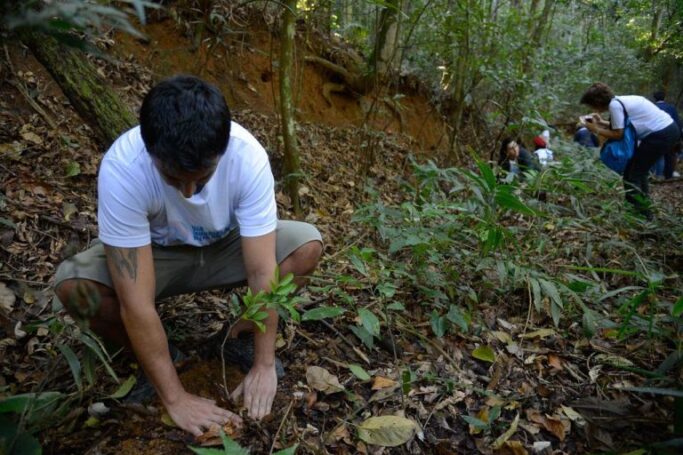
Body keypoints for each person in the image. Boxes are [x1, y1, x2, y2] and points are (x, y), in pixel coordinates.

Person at [53, 75, 323, 436]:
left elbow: (261, 271)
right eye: (174, 178)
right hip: (157, 253)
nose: (190, 192)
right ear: (152, 153)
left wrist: (264, 363)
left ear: (222, 151)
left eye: (203, 177)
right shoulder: (124, 168)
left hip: (225, 246)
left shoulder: (246, 155)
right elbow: (136, 302)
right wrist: (176, 398)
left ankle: (235, 341)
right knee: (74, 287)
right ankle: (164, 362)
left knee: (305, 245)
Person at [580, 82, 680, 218]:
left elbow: (618, 134)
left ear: (597, 102)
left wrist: (595, 129)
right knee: (639, 171)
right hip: (668, 130)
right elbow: (621, 127)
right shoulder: (620, 101)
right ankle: (645, 209)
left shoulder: (615, 106)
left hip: (660, 134)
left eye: (591, 105)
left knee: (632, 175)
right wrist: (600, 122)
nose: (592, 108)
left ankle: (641, 215)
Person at [653, 90, 682, 179]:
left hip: (656, 134)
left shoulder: (653, 107)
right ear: (664, 97)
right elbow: (677, 122)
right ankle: (669, 175)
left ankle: (657, 174)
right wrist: (679, 136)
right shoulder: (671, 108)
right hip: (670, 133)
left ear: (654, 98)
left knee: (658, 155)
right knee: (670, 154)